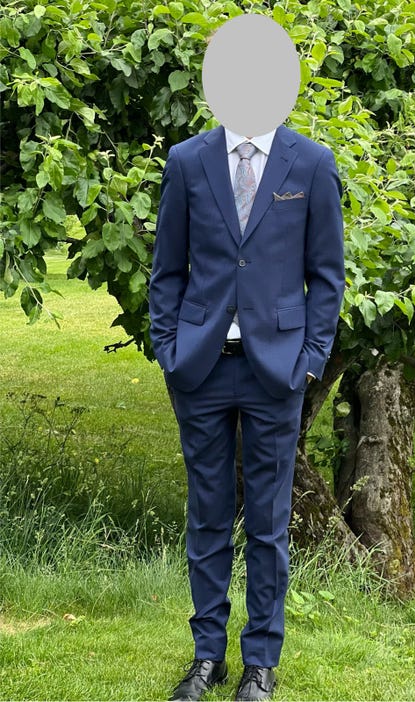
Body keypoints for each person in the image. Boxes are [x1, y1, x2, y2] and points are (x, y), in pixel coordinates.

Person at [148, 17, 345, 702]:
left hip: (277, 370)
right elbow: (166, 271)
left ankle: (261, 661)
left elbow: (327, 276)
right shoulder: (187, 161)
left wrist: (311, 359)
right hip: (200, 368)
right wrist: (169, 349)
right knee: (206, 516)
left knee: (266, 522)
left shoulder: (311, 165)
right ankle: (207, 657)